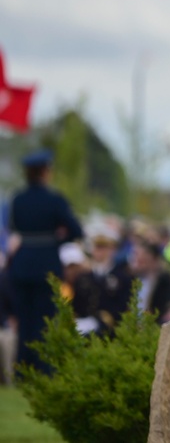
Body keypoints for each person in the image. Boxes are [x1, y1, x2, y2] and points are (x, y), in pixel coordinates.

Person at [6, 150, 84, 370]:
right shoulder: (54, 200)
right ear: (45, 172)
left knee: (25, 319)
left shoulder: (18, 199)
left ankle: (22, 367)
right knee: (44, 319)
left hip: (22, 264)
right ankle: (42, 367)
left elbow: (13, 227)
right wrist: (54, 242)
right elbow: (75, 230)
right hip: (46, 265)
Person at [128, 238, 170, 324]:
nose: (136, 262)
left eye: (141, 259)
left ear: (153, 260)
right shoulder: (129, 280)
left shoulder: (166, 282)